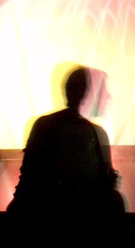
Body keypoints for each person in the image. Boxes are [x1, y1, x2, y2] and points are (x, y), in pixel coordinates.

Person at [7, 66, 123, 233]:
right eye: (103, 90)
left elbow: (28, 174)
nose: (109, 97)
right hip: (76, 219)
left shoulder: (43, 125)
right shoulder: (94, 133)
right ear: (87, 94)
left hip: (36, 215)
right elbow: (100, 181)